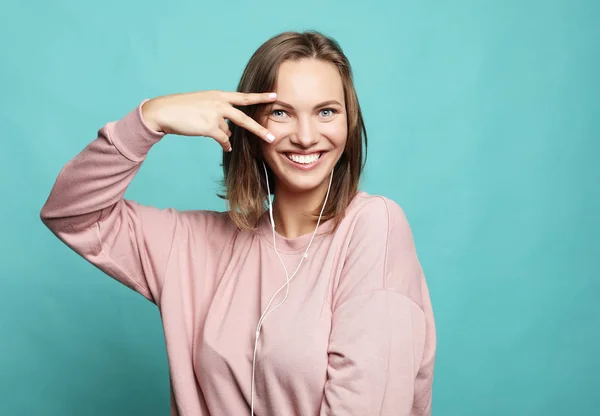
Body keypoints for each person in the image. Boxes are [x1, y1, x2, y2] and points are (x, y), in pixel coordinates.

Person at [40, 30, 436, 416]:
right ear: (249, 124)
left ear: (349, 124)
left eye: (326, 111)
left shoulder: (373, 227)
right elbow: (72, 214)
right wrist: (150, 118)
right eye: (281, 113)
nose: (305, 135)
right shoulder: (192, 246)